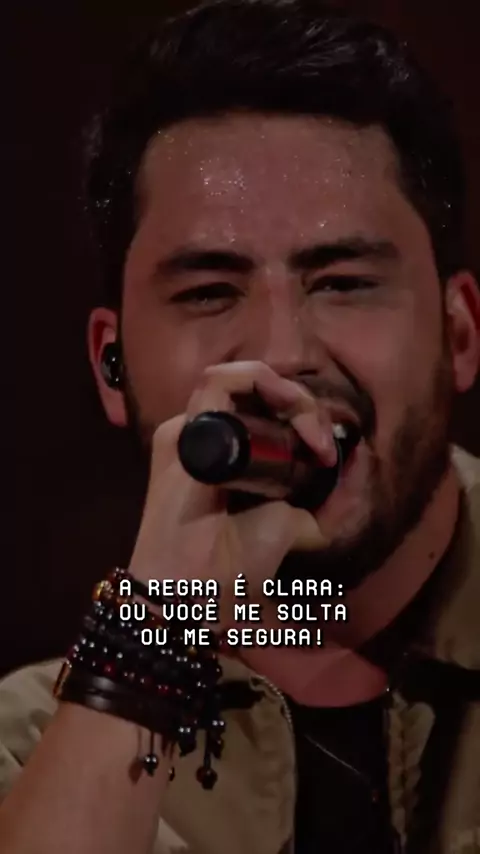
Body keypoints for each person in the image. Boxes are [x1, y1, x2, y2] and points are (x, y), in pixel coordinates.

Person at [1, 0, 479, 852]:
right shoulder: (30, 748)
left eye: (343, 283)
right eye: (209, 293)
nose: (280, 355)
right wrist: (157, 630)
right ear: (111, 367)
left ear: (460, 335)